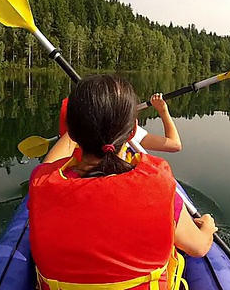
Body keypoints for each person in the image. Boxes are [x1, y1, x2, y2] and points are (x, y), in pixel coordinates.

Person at [28, 74, 217, 290]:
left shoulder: (43, 182)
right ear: (133, 130)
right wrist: (208, 227)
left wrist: (82, 121)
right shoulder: (157, 184)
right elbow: (198, 247)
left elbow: (48, 165)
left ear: (71, 131)